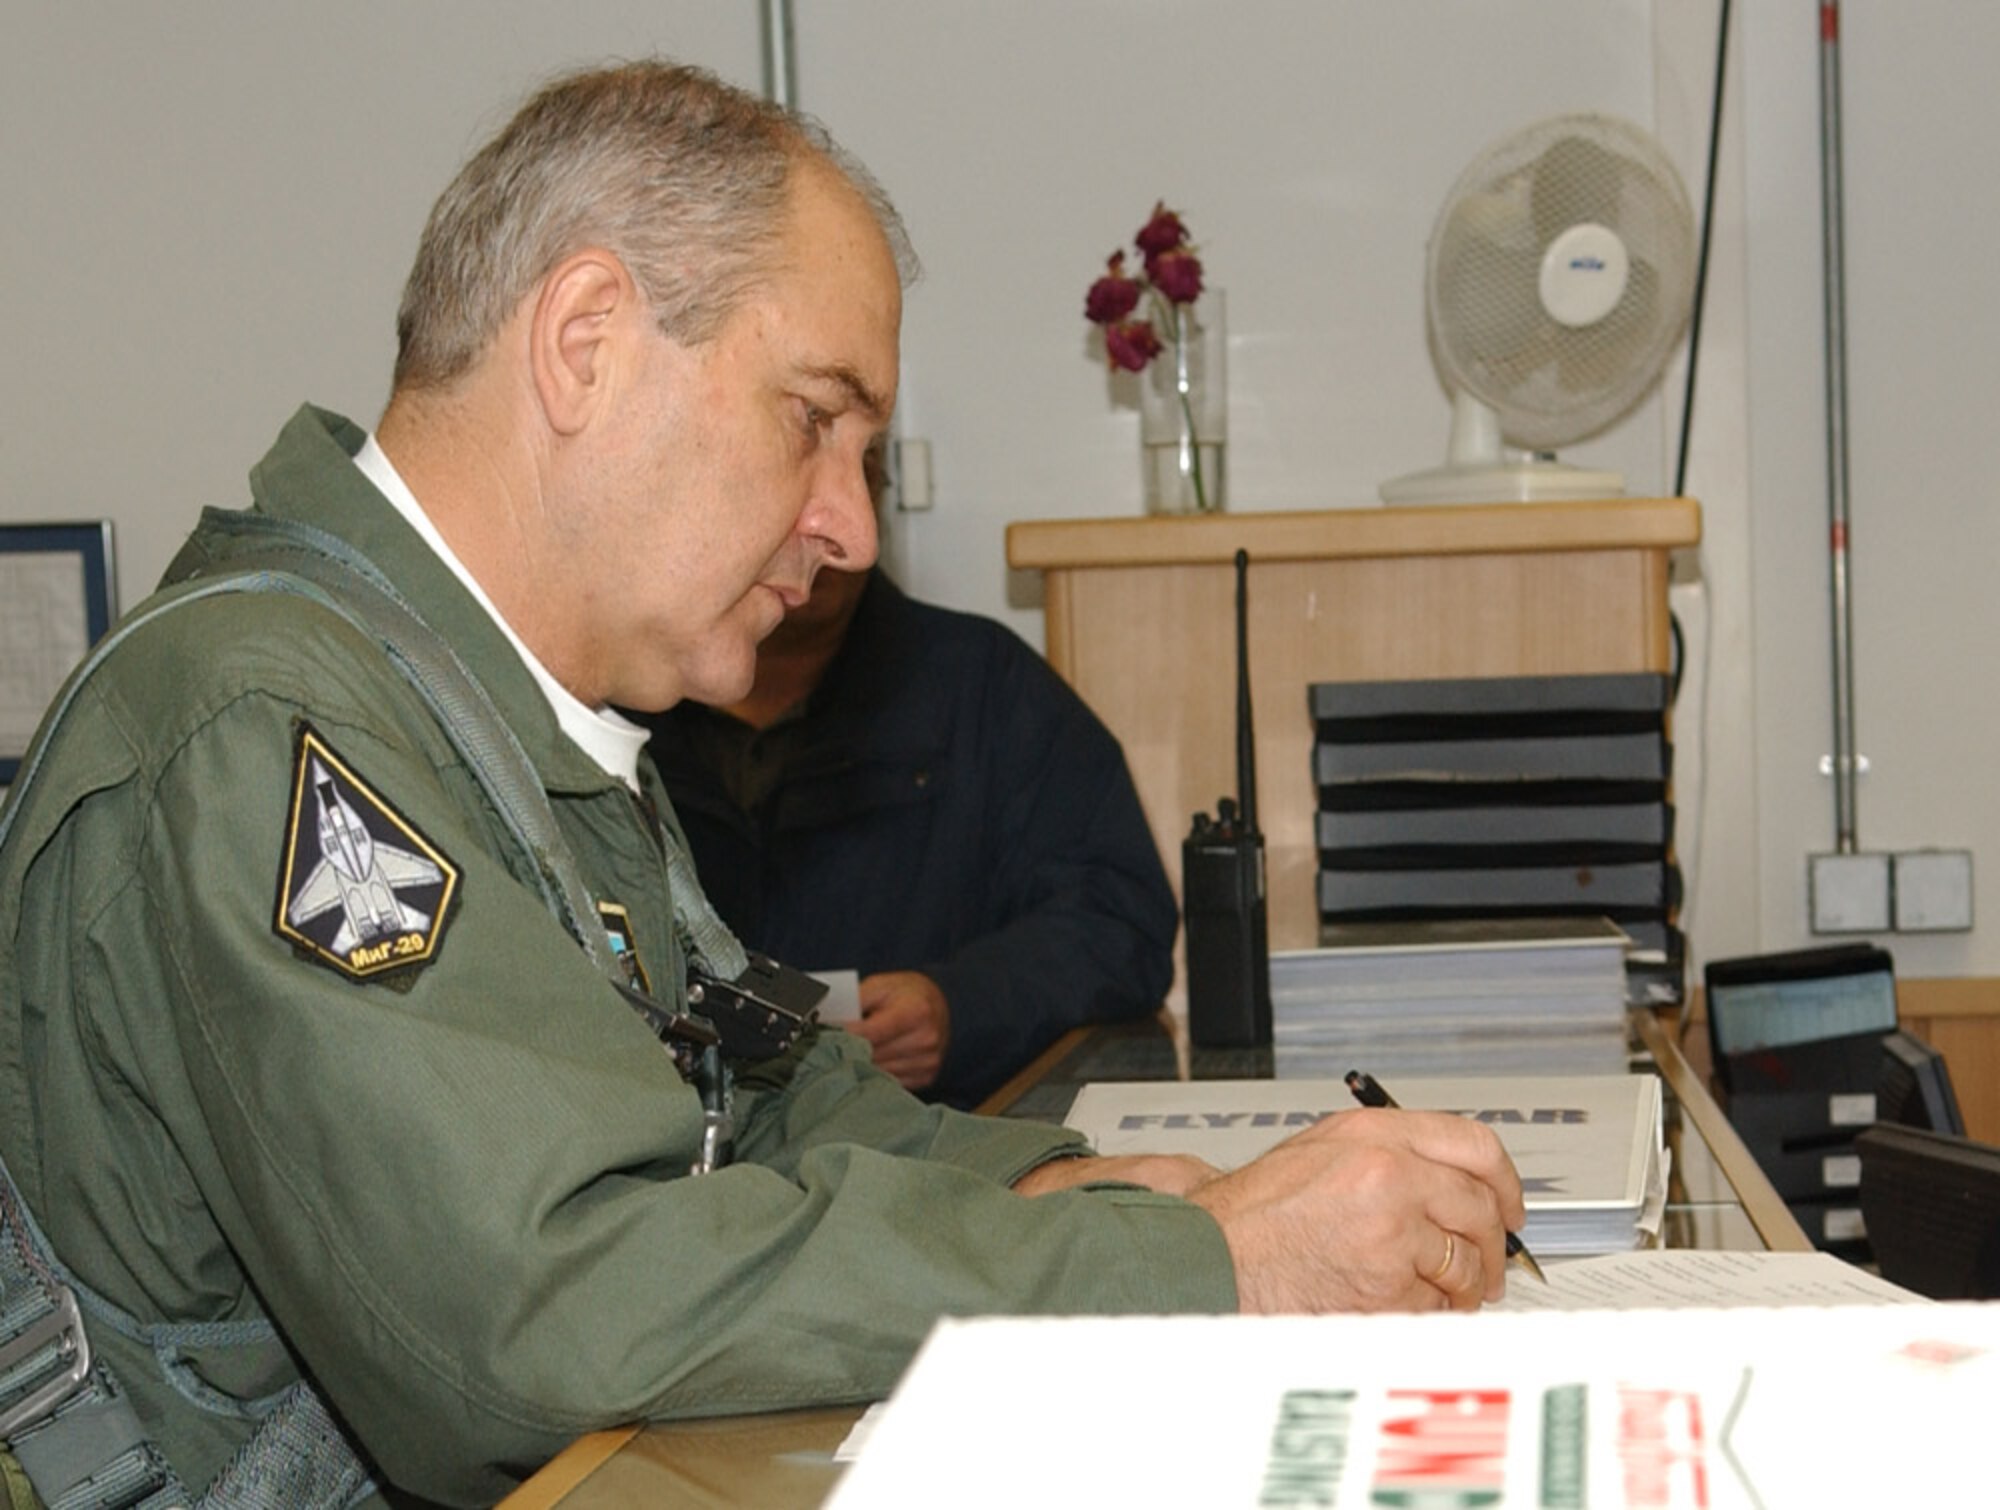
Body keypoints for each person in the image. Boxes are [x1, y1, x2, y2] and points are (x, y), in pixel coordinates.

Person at [0, 59, 1524, 1508]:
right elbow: (545, 1309)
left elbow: (788, 1103)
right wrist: (1203, 1268)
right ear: (587, 340)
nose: (851, 530)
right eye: (813, 421)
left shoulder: (527, 739)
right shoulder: (266, 730)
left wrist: (1127, 1194)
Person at [634, 558, 1178, 1109]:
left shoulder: (979, 683)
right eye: (796, 478)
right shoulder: (616, 698)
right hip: (672, 1154)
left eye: (861, 474)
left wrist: (959, 1008)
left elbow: (1121, 923)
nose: (836, 530)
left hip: (940, 1146)